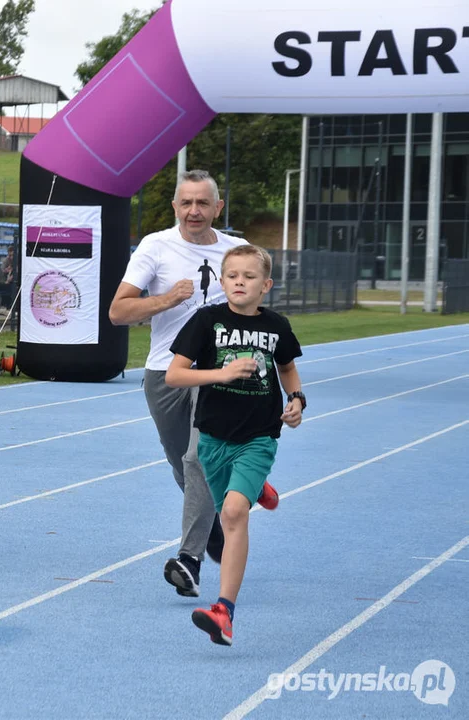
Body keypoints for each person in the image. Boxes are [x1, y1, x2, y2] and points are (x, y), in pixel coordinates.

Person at [108, 169, 248, 599]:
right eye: (186, 203)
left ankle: (188, 559)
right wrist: (167, 299)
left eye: (203, 203)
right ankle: (215, 520)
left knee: (195, 459)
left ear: (218, 208)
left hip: (217, 375)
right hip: (164, 372)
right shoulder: (155, 246)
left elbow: (255, 309)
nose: (194, 211)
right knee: (179, 463)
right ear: (174, 207)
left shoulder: (235, 252)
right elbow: (118, 311)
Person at [165, 244, 304, 646]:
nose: (239, 281)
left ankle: (224, 610)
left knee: (232, 512)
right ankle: (257, 487)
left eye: (249, 276)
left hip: (258, 437)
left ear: (266, 285)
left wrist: (297, 402)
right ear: (223, 281)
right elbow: (175, 375)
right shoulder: (206, 321)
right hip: (212, 438)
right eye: (232, 275)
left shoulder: (276, 325)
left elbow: (288, 369)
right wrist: (220, 374)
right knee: (233, 498)